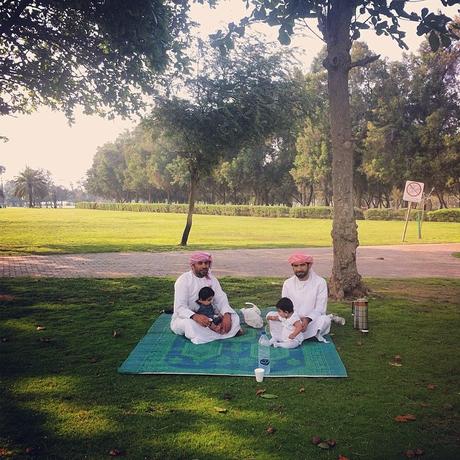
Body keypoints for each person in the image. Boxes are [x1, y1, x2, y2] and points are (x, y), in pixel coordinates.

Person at [171, 251, 242, 344]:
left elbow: (221, 299)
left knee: (234, 316)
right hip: (187, 317)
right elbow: (179, 308)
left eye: (206, 263)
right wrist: (195, 316)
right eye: (200, 263)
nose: (204, 266)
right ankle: (222, 333)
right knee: (190, 325)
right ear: (192, 266)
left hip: (210, 316)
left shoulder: (212, 279)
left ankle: (216, 332)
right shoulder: (183, 281)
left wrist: (226, 315)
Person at [267, 253, 331, 343]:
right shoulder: (288, 283)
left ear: (309, 265)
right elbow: (284, 306)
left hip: (310, 322)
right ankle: (299, 335)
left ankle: (289, 336)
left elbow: (320, 308)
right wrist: (294, 320)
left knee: (325, 320)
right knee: (270, 315)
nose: (299, 269)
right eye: (296, 266)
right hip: (291, 320)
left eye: (302, 265)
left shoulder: (320, 283)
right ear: (292, 267)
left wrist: (307, 319)